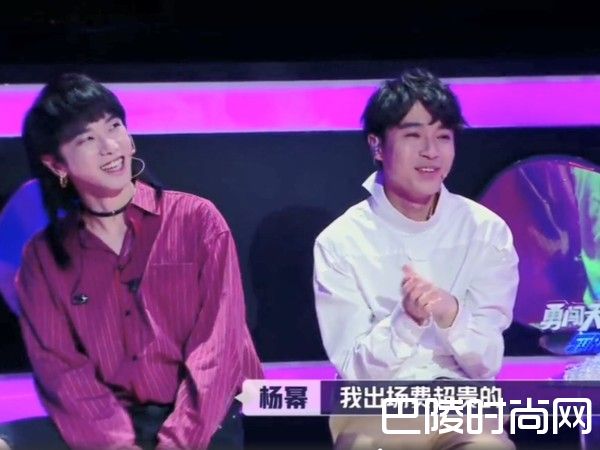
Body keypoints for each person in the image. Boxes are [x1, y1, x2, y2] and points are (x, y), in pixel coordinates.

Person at [0, 73, 262, 450]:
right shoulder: (42, 260)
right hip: (108, 426)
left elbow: (219, 349)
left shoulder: (197, 220)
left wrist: (178, 443)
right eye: (87, 139)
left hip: (207, 418)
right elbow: (64, 374)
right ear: (57, 165)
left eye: (114, 127)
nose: (110, 146)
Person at [313, 68, 519, 449]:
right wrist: (406, 321)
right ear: (377, 146)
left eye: (443, 137)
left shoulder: (487, 231)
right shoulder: (339, 241)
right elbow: (355, 372)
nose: (431, 151)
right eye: (413, 136)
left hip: (463, 406)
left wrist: (451, 314)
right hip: (375, 410)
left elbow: (487, 362)